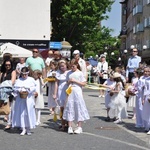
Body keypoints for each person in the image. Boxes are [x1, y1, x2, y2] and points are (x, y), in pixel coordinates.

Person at [63, 59, 90, 134]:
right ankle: (70, 126)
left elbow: (84, 83)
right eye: (71, 66)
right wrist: (69, 81)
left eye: (73, 66)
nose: (72, 68)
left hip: (77, 90)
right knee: (70, 106)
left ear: (77, 65)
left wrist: (75, 81)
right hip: (71, 90)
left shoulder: (80, 73)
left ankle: (79, 126)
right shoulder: (69, 73)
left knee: (78, 107)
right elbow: (67, 82)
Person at [12, 67, 36, 136]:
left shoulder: (31, 80)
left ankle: (28, 128)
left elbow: (33, 87)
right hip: (20, 99)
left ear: (28, 74)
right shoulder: (19, 80)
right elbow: (15, 88)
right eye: (23, 74)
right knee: (22, 113)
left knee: (28, 113)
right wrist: (19, 90)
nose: (24, 76)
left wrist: (28, 89)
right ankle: (23, 128)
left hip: (28, 99)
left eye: (25, 74)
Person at [0, 59, 16, 130]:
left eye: (9, 65)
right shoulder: (2, 72)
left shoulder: (13, 72)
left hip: (9, 91)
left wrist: (3, 84)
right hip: (2, 91)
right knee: (3, 106)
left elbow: (12, 82)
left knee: (9, 107)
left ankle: (9, 123)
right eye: (6, 65)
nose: (7, 66)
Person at [55, 60, 69, 131]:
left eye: (63, 66)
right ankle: (63, 123)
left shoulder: (68, 72)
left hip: (67, 88)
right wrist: (55, 93)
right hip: (60, 90)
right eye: (60, 66)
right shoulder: (58, 73)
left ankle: (68, 123)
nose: (62, 67)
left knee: (68, 106)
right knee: (62, 107)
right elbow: (56, 83)